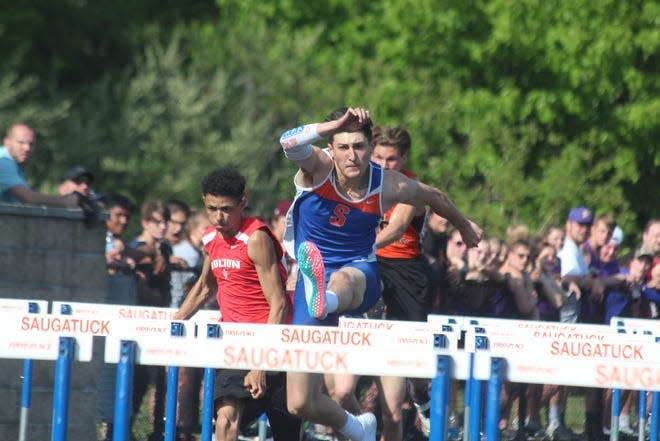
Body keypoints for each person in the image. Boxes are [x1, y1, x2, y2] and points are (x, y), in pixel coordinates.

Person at [279, 107, 482, 441]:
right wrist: (336, 125)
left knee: (345, 279)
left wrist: (464, 224)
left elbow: (433, 196)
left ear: (370, 148)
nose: (352, 156)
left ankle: (326, 299)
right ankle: (357, 426)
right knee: (300, 402)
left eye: (359, 146)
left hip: (359, 271)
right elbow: (288, 142)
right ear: (331, 148)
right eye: (343, 147)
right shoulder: (317, 167)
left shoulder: (386, 183)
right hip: (309, 278)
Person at [173, 168, 301, 441]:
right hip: (234, 347)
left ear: (243, 202)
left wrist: (260, 366)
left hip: (274, 345)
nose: (219, 217)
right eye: (212, 208)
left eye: (226, 209)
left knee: (287, 432)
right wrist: (173, 323)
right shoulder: (210, 238)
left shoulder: (257, 239)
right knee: (225, 420)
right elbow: (206, 285)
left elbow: (278, 304)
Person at [0, 123, 79, 207]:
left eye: (31, 144)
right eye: (21, 142)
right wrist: (65, 201)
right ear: (7, 142)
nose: (27, 148)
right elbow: (27, 197)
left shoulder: (13, 163)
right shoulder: (3, 162)